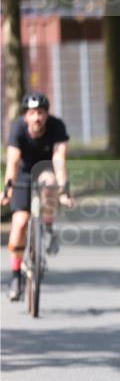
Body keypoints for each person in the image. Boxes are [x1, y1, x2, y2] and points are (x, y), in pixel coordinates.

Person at [2, 92, 74, 301]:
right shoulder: (17, 128)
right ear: (26, 115)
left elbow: (59, 159)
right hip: (23, 174)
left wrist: (64, 190)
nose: (37, 118)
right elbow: (13, 162)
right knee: (20, 222)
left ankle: (48, 227)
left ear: (46, 114)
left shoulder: (56, 126)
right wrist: (8, 189)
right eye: (32, 113)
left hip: (46, 169)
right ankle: (16, 276)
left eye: (41, 113)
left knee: (49, 181)